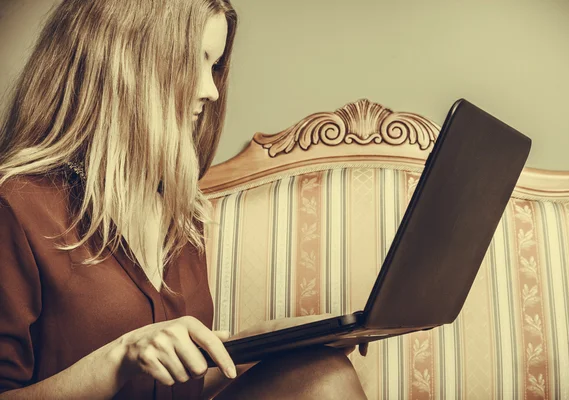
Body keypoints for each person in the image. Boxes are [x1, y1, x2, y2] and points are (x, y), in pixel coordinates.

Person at [0, 0, 368, 399]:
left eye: (215, 66)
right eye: (195, 60)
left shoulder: (181, 212)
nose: (210, 90)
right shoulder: (18, 207)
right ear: (126, 62)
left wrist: (271, 341)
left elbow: (178, 381)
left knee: (323, 372)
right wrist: (120, 357)